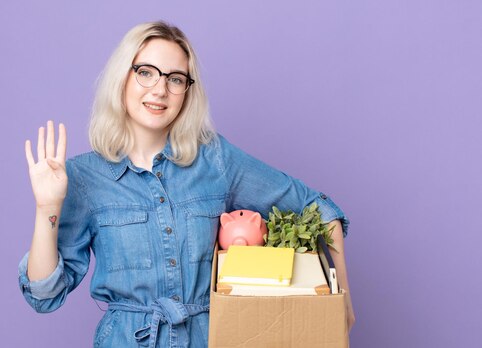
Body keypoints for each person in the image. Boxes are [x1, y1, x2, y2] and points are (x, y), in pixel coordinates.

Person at [18, 21, 355, 347]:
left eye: (175, 79)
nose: (160, 89)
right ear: (122, 77)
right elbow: (44, 295)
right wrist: (47, 208)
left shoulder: (215, 159)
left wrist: (342, 303)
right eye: (146, 72)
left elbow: (320, 210)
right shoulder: (84, 177)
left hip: (210, 338)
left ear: (187, 91)